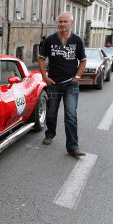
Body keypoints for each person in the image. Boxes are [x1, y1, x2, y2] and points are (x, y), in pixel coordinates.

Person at [38, 11, 87, 157]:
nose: (62, 24)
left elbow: (83, 60)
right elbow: (41, 59)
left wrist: (77, 77)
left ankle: (73, 147)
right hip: (53, 83)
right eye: (60, 22)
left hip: (71, 85)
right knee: (51, 113)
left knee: (71, 115)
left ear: (72, 23)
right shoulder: (50, 40)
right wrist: (45, 77)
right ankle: (50, 133)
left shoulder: (77, 41)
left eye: (65, 22)